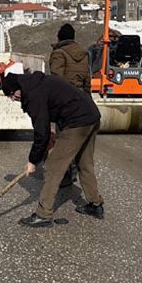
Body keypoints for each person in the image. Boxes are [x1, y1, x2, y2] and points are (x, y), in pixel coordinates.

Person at [1, 71, 104, 228]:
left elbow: (40, 133)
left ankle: (43, 214)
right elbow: (52, 112)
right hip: (91, 115)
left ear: (17, 89)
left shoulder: (33, 95)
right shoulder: (36, 83)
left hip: (77, 121)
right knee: (85, 163)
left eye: (11, 95)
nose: (12, 99)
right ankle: (95, 204)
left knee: (52, 168)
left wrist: (33, 160)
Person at [48, 23, 91, 188]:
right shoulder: (83, 53)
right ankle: (74, 171)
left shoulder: (59, 54)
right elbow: (87, 79)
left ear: (60, 37)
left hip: (66, 102)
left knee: (64, 139)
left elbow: (57, 80)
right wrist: (87, 98)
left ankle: (66, 174)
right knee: (78, 139)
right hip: (81, 99)